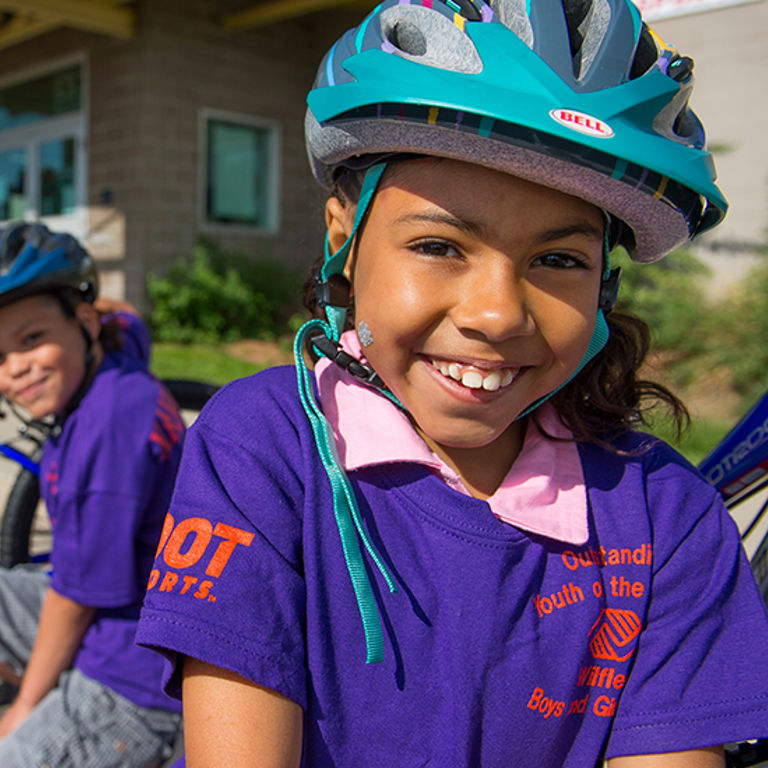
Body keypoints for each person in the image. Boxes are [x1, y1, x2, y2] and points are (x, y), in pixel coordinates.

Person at [136, 0, 768, 765]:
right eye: (439, 245)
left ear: (604, 286)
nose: (498, 315)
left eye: (560, 260)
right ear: (345, 237)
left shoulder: (667, 516)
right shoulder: (267, 448)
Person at [0, 222, 185, 766]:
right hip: (139, 612)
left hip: (138, 674)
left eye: (31, 340)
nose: (16, 371)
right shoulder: (117, 353)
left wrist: (25, 707)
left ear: (82, 322)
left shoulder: (103, 437)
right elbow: (122, 311)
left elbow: (76, 599)